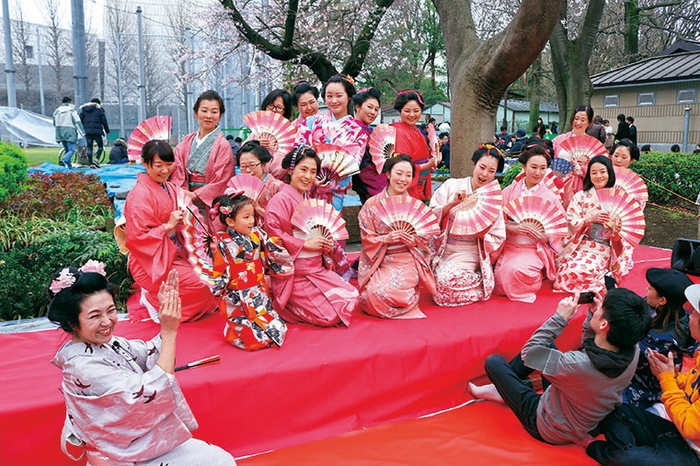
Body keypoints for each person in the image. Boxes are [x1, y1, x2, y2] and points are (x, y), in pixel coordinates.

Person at [48, 263, 236, 465]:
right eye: (95, 316)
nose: (107, 321)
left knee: (219, 460)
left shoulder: (108, 344)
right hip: (121, 456)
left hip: (138, 444)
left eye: (110, 310)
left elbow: (148, 354)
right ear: (71, 323)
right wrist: (170, 331)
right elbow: (151, 391)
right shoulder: (82, 368)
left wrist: (168, 319)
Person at [469, 288, 651, 447]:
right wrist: (593, 315)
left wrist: (559, 319)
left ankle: (502, 392)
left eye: (602, 308)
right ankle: (505, 390)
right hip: (588, 417)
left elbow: (529, 354)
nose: (599, 307)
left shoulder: (576, 365)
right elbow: (592, 346)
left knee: (494, 363)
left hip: (548, 426)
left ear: (604, 325)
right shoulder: (632, 349)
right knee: (548, 351)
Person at [586, 283, 700, 465]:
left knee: (630, 459)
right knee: (611, 410)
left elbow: (690, 425)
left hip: (694, 449)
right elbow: (693, 387)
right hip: (675, 428)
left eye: (694, 313)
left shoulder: (667, 337)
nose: (690, 315)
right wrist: (675, 377)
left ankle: (605, 451)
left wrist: (667, 379)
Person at [264, 145, 359, 327]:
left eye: (313, 172)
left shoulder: (307, 198)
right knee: (329, 317)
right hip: (296, 273)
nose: (308, 177)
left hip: (316, 268)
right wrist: (304, 244)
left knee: (351, 297)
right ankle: (286, 306)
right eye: (303, 170)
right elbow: (273, 236)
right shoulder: (280, 200)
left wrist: (325, 244)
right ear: (291, 170)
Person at [125, 139, 216, 322]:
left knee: (213, 277)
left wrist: (203, 238)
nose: (165, 170)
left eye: (169, 164)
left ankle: (169, 300)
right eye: (158, 165)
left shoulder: (171, 188)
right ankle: (154, 300)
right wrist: (167, 226)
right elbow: (136, 239)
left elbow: (193, 215)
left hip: (173, 252)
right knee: (203, 283)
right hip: (150, 261)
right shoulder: (139, 195)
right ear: (144, 162)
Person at [209, 192, 292, 350]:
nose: (252, 221)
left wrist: (276, 243)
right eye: (246, 217)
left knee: (274, 326)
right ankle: (236, 331)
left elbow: (270, 247)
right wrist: (219, 288)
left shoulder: (256, 234)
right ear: (230, 221)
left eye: (252, 216)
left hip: (257, 287)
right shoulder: (222, 242)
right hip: (236, 294)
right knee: (252, 339)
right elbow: (220, 270)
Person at [357, 155, 436, 319]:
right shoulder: (371, 205)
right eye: (399, 173)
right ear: (388, 174)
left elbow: (426, 240)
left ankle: (409, 297)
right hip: (379, 259)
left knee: (379, 293)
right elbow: (366, 238)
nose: (403, 179)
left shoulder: (416, 205)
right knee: (369, 297)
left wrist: (413, 240)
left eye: (408, 175)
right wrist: (386, 238)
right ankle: (402, 300)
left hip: (406, 259)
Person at [429, 145, 506, 306]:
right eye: (482, 167)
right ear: (474, 164)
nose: (484, 174)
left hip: (468, 252)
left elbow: (498, 237)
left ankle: (482, 281)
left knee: (444, 284)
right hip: (441, 247)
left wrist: (483, 232)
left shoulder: (493, 200)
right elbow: (430, 217)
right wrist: (452, 204)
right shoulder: (451, 185)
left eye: (491, 171)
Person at [493, 144, 565, 303]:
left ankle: (533, 278)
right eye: (533, 167)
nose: (538, 172)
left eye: (543, 168)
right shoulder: (509, 192)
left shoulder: (551, 197)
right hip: (510, 245)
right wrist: (514, 227)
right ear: (524, 166)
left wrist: (543, 237)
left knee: (516, 270)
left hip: (534, 248)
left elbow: (559, 229)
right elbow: (496, 221)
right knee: (500, 277)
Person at [622, 268, 693, 410]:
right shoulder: (671, 310)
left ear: (662, 300)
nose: (646, 289)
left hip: (644, 382)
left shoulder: (664, 341)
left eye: (651, 288)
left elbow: (629, 355)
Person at [554, 155, 624, 295]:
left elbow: (626, 235)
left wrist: (615, 233)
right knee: (565, 273)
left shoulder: (620, 197)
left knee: (587, 270)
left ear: (609, 173)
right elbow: (570, 223)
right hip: (581, 245)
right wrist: (588, 219)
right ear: (589, 175)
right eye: (594, 172)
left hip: (604, 248)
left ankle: (603, 278)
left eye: (602, 171)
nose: (598, 176)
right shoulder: (581, 196)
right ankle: (600, 283)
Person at [170, 90, 235, 230]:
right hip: (186, 198)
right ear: (196, 113)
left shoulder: (223, 146)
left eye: (214, 112)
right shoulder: (187, 141)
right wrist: (183, 193)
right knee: (187, 240)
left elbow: (222, 180)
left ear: (220, 116)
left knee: (207, 240)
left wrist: (196, 194)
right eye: (204, 110)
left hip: (209, 203)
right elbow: (178, 169)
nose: (208, 116)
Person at [306, 74, 368, 211]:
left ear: (349, 96)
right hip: (307, 187)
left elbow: (350, 166)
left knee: (329, 230)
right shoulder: (311, 122)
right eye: (329, 96)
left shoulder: (358, 133)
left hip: (334, 194)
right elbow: (299, 152)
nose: (334, 100)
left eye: (339, 95)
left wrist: (325, 181)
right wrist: (311, 178)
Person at [391, 90, 439, 201]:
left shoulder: (418, 131)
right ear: (400, 111)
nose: (412, 115)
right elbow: (401, 166)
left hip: (419, 184)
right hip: (407, 187)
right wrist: (427, 165)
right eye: (407, 111)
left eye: (416, 111)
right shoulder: (398, 131)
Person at [234, 140, 285, 229]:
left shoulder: (277, 187)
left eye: (252, 165)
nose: (248, 170)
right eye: (243, 166)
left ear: (263, 165)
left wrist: (258, 208)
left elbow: (282, 221)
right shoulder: (239, 189)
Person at [553, 105, 594, 209]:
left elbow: (595, 169)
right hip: (559, 183)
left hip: (580, 186)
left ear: (589, 122)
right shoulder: (559, 140)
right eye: (576, 119)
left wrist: (581, 170)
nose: (578, 123)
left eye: (583, 120)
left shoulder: (592, 144)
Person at [351, 87, 386, 204]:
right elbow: (362, 164)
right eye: (370, 107)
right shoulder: (352, 130)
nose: (373, 112)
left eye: (376, 109)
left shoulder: (371, 131)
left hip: (377, 176)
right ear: (358, 106)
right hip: (368, 181)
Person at [53, 96, 85, 169]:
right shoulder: (72, 111)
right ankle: (65, 160)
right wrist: (82, 133)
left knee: (66, 149)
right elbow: (77, 122)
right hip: (70, 132)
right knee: (72, 150)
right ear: (70, 102)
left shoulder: (57, 111)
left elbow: (54, 122)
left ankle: (69, 166)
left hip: (60, 131)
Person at [79, 98, 110, 168]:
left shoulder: (84, 110)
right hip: (97, 131)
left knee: (89, 147)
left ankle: (91, 164)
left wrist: (85, 127)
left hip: (88, 132)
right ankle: (96, 160)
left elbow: (80, 119)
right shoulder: (99, 110)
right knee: (100, 146)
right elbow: (104, 121)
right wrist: (107, 131)